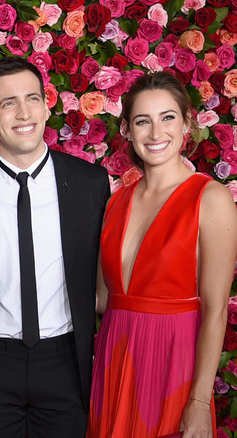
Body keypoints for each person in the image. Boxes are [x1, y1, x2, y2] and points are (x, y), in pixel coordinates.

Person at [0, 57, 111, 437]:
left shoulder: (89, 183)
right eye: (8, 103)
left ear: (47, 106)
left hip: (66, 363)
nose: (23, 112)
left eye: (32, 98)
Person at [88, 72, 237, 438]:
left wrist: (200, 402)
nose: (156, 133)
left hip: (172, 367)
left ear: (187, 122)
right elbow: (102, 300)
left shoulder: (211, 198)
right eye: (143, 121)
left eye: (167, 117)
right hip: (115, 360)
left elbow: (216, 310)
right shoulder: (114, 204)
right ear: (125, 129)